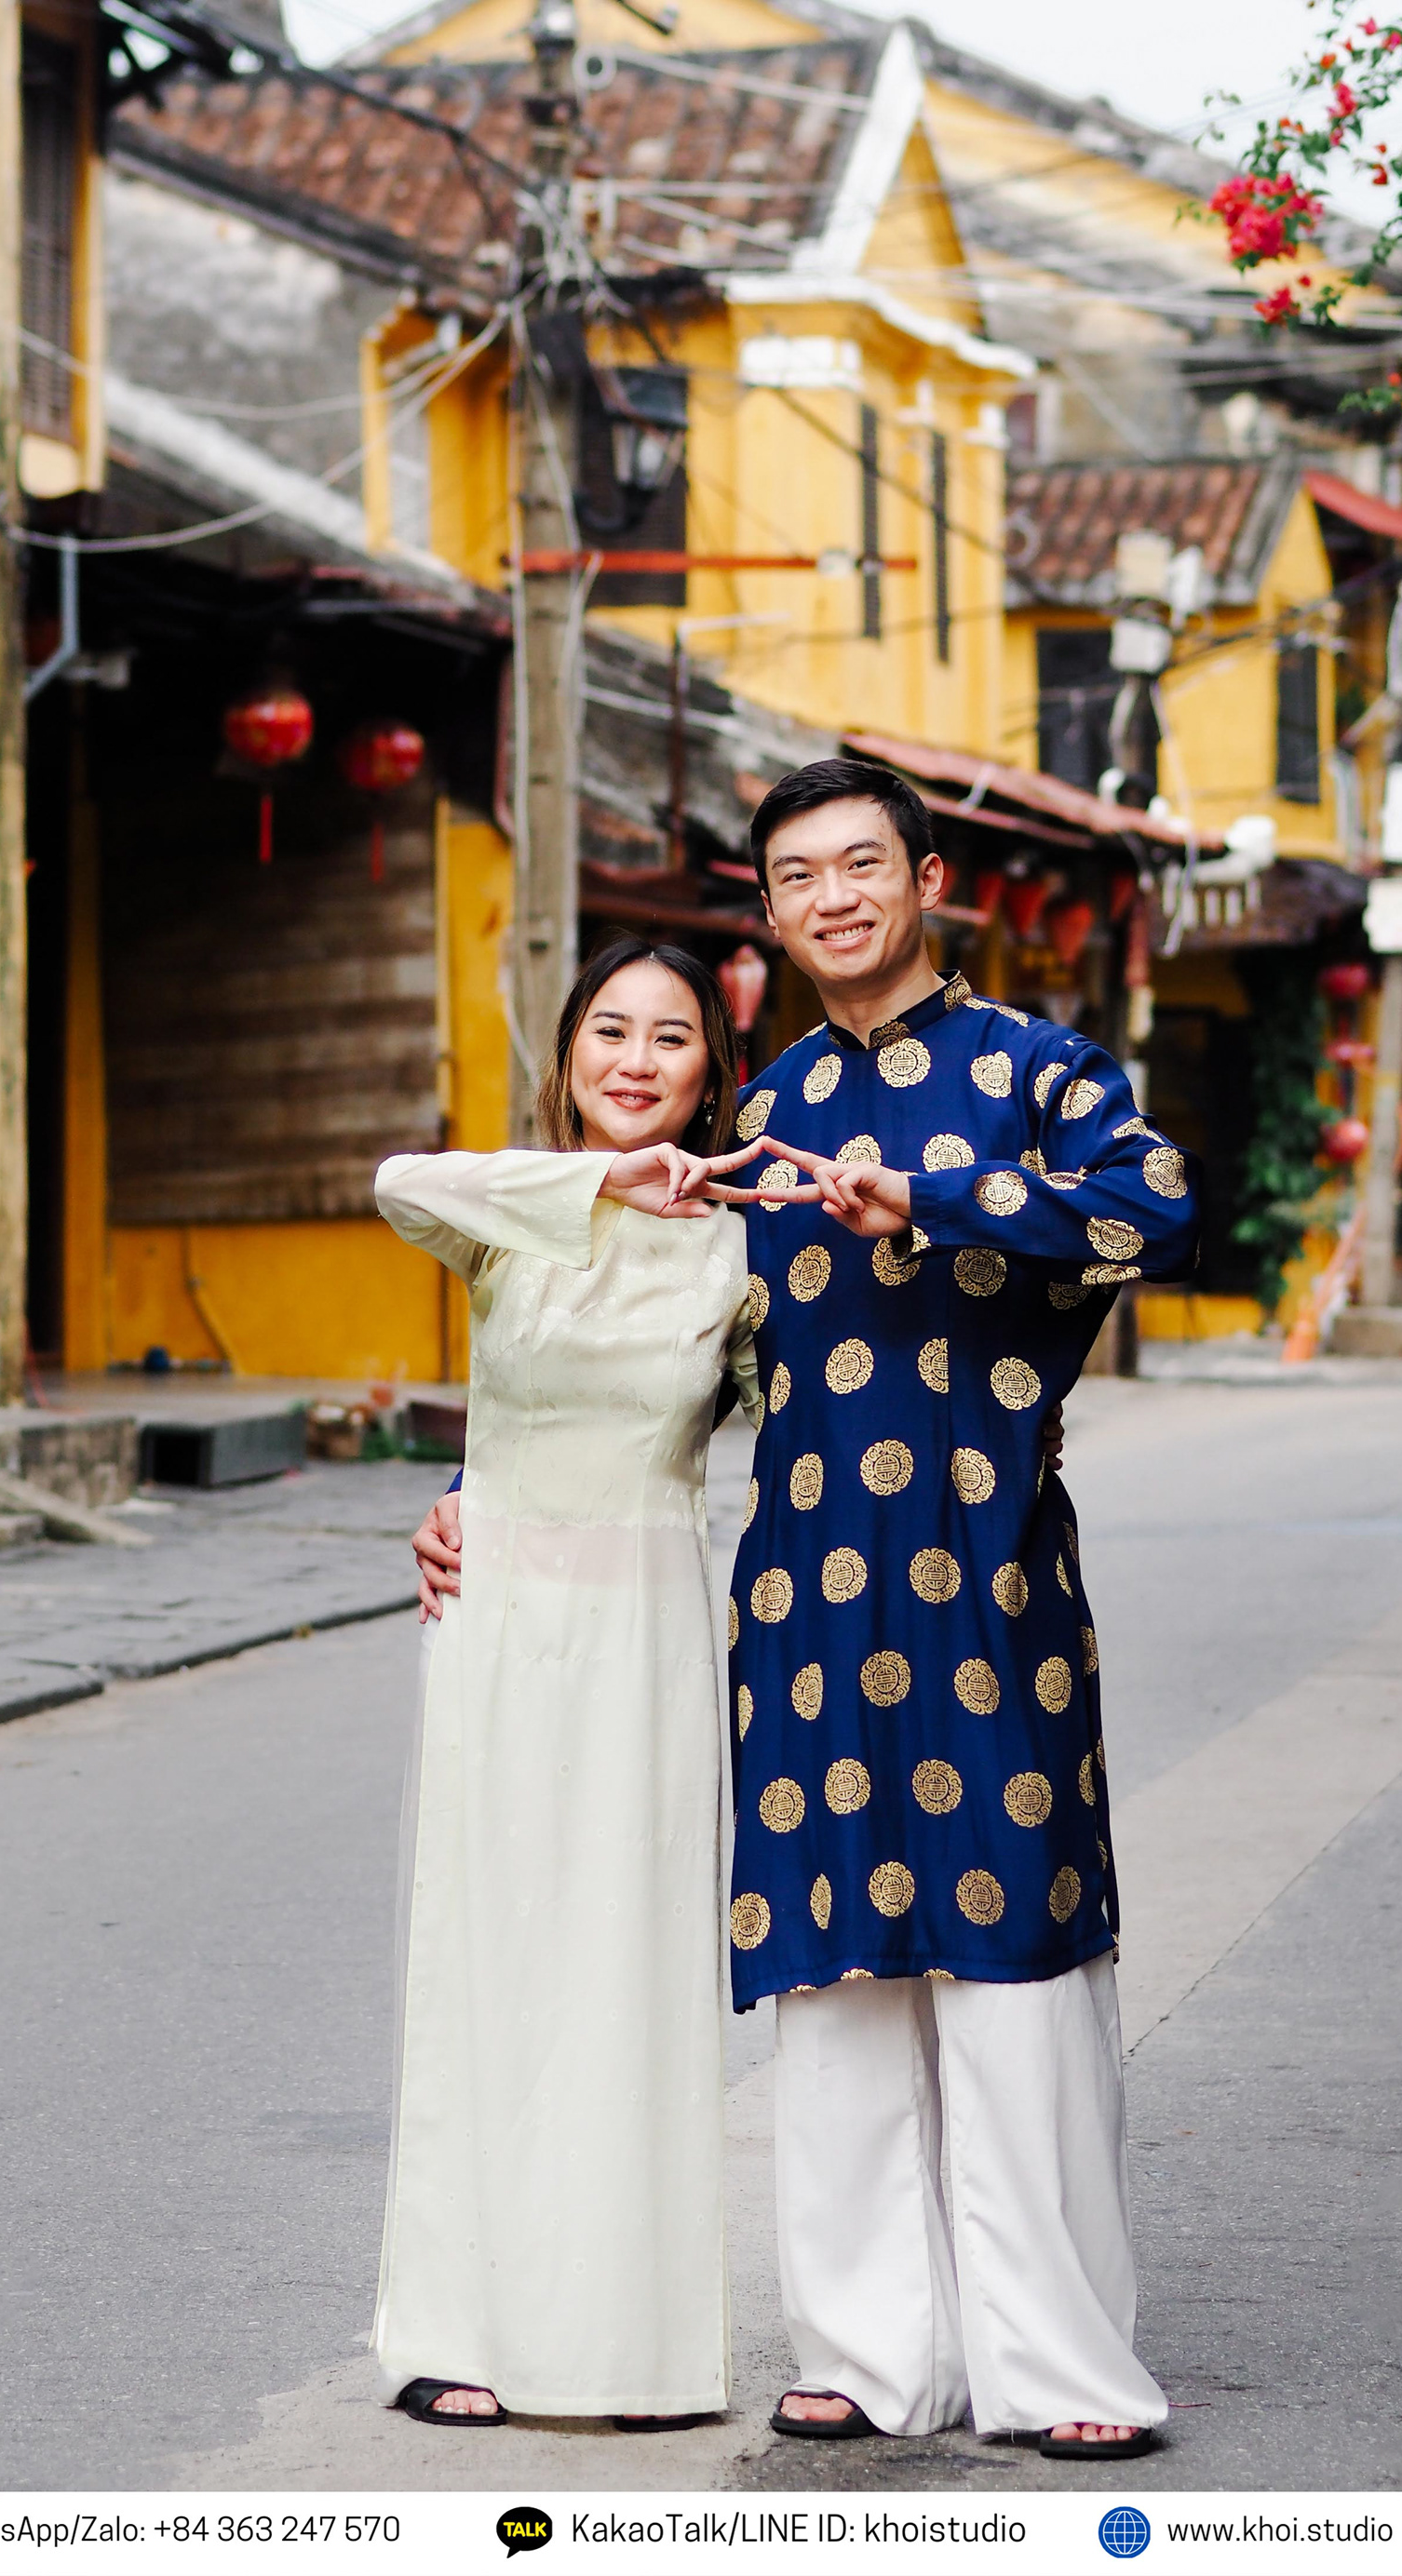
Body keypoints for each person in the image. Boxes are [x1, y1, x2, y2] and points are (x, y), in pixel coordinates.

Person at [418, 760, 1196, 2461]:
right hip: (802, 1596)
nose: (835, 895)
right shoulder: (755, 1126)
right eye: (797, 877)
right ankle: (865, 2353)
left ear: (927, 879)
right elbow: (646, 1374)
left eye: (864, 864)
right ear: (764, 917)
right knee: (832, 1971)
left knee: (1008, 1961)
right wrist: (479, 1491)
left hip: (990, 1577)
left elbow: (1155, 1208)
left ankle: (1059, 2368)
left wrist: (934, 1198)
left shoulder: (1038, 1072)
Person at [370, 933, 802, 2430]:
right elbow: (395, 1182)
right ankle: (459, 2326)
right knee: (482, 1963)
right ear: (566, 1062)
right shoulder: (516, 1216)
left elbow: (815, 1404)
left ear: (711, 1071)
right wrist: (599, 1185)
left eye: (670, 1038)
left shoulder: (743, 1246)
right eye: (608, 1032)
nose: (635, 1059)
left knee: (626, 1976)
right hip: (495, 1625)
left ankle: (630, 2348)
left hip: (644, 1633)